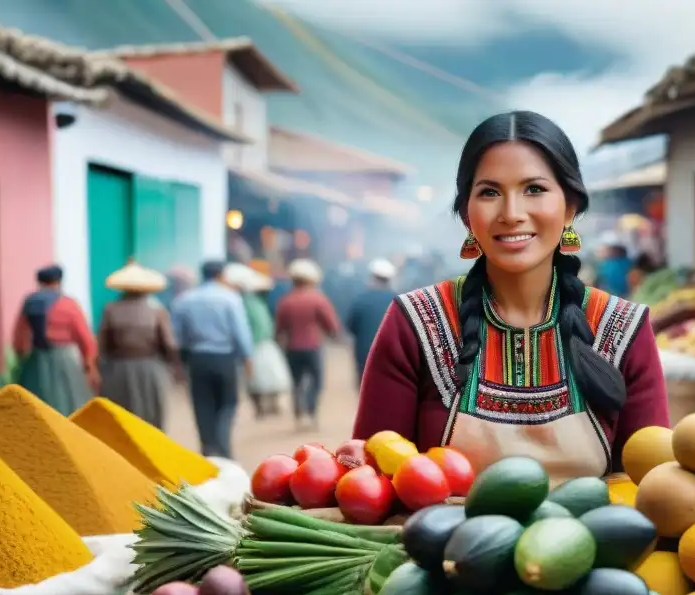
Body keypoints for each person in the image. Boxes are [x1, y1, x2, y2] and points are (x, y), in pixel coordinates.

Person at [351, 111, 670, 482]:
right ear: (468, 215)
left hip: (592, 540)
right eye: (489, 192)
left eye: (534, 189)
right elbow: (371, 486)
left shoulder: (624, 329)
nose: (512, 214)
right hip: (442, 542)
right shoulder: (415, 323)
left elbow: (655, 488)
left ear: (569, 207)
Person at [171, 260, 253, 458]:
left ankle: (209, 450)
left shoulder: (184, 300)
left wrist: (179, 365)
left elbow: (177, 337)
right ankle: (224, 448)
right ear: (221, 275)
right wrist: (248, 359)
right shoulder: (230, 298)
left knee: (202, 405)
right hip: (225, 359)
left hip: (197, 360)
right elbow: (240, 333)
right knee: (228, 404)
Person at [97, 262, 178, 429]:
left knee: (121, 414)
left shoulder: (110, 310)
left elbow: (102, 343)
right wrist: (173, 366)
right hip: (149, 368)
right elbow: (169, 344)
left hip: (117, 369)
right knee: (151, 413)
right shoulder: (156, 312)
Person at [13, 265, 98, 416]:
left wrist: (22, 359)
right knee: (69, 403)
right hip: (64, 358)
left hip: (36, 359)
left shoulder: (30, 302)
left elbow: (19, 337)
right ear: (59, 281)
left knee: (36, 405)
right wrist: (89, 364)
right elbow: (85, 338)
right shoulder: (67, 304)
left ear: (39, 282)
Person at [274, 258, 340, 431]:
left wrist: (278, 340)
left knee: (296, 381)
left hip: (292, 348)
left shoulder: (286, 301)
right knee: (316, 380)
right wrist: (335, 335)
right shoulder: (318, 299)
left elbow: (279, 327)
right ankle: (311, 410)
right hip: (312, 346)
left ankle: (298, 411)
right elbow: (331, 324)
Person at [224, 262, 290, 419]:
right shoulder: (247, 303)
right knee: (259, 378)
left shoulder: (252, 302)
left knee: (265, 378)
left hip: (261, 343)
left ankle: (267, 406)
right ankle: (262, 407)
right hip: (256, 344)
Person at [347, 259, 397, 384]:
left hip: (365, 354)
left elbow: (351, 326)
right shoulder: (399, 301)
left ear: (372, 277)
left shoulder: (360, 300)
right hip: (392, 355)